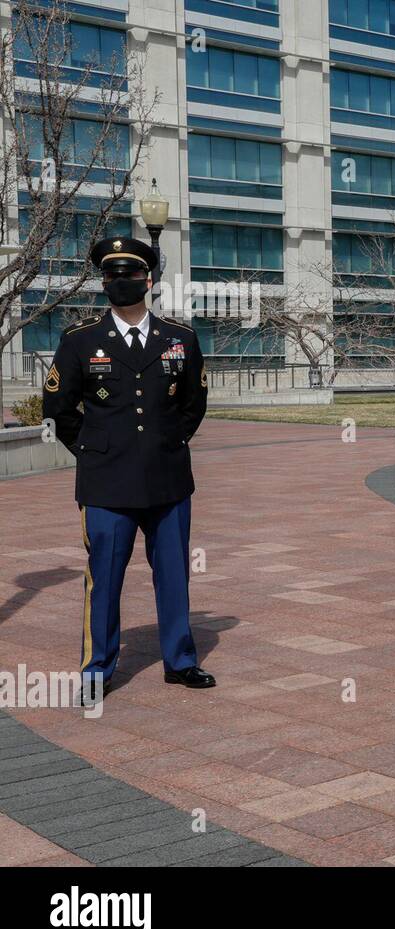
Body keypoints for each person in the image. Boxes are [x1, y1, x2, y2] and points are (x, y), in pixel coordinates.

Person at [43, 236, 214, 699]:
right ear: (104, 283)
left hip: (168, 477)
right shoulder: (80, 341)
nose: (122, 282)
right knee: (104, 580)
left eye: (131, 275)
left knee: (174, 575)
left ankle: (180, 660)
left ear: (148, 280)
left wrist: (168, 442)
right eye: (113, 276)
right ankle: (96, 669)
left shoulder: (181, 339)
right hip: (105, 483)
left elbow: (193, 405)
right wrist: (94, 450)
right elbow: (57, 407)